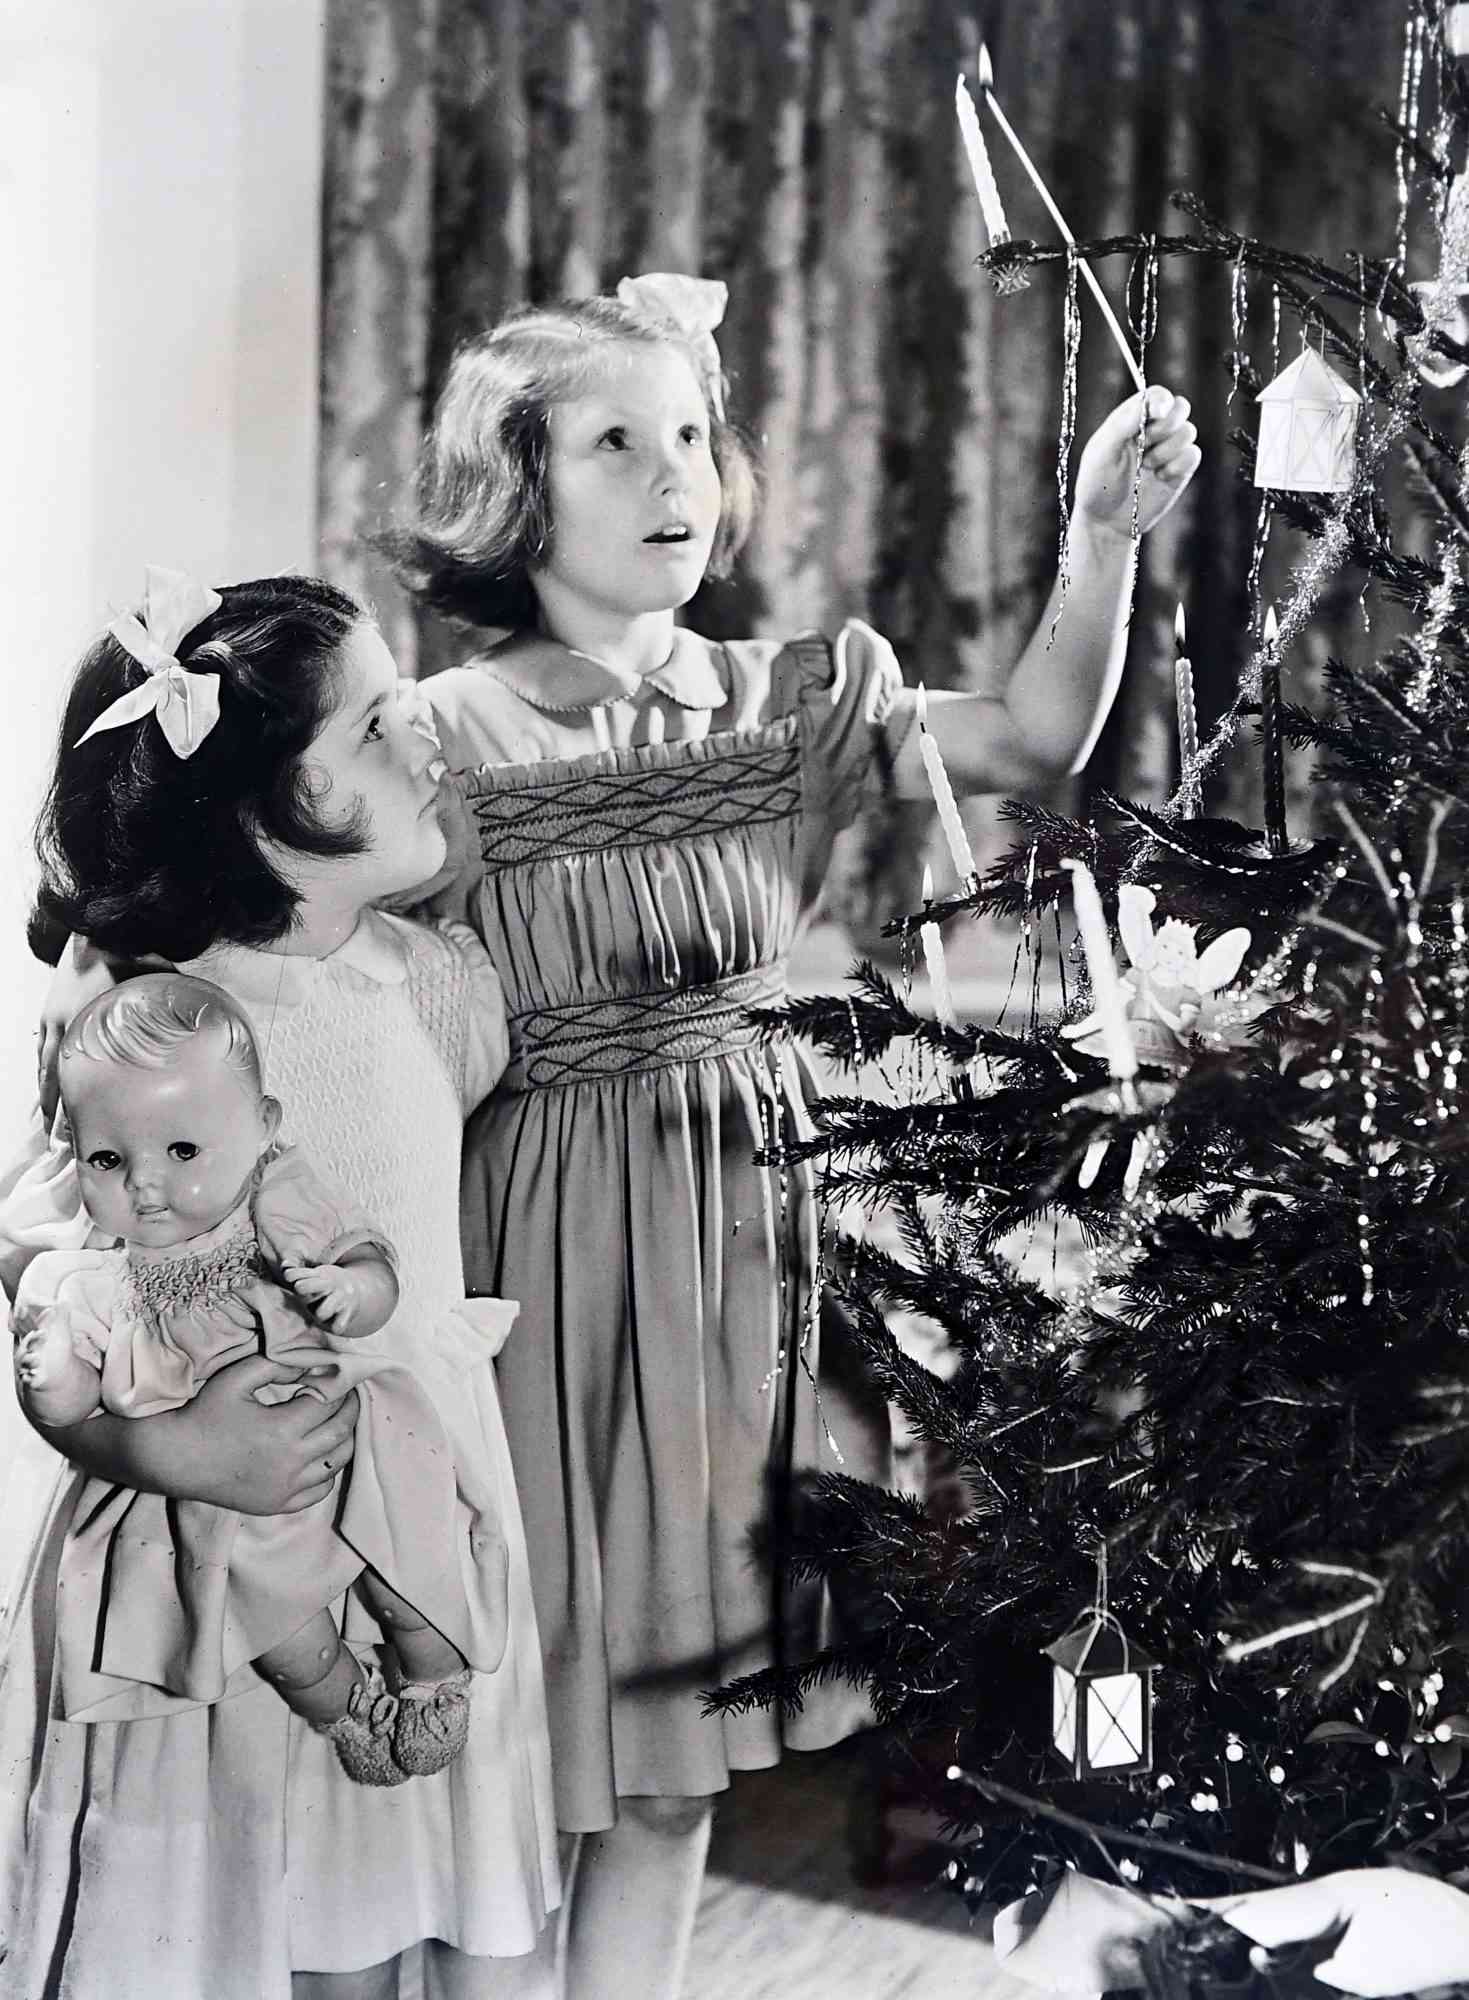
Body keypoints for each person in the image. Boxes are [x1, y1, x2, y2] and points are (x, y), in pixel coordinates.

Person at [379, 269, 1202, 2000]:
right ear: (512, 483)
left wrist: (1097, 540)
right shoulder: (431, 738)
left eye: (691, 432)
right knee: (513, 1738)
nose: (676, 474)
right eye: (617, 443)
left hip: (732, 1244)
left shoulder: (785, 700)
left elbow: (1035, 735)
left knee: (672, 1738)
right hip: (521, 1258)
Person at [4, 569, 558, 1999]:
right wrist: (165, 1445)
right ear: (260, 806)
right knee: (261, 1901)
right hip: (219, 1518)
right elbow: (37, 1274)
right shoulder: (150, 1018)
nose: (425, 731)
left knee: (394, 1894)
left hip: (417, 1485)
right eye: (377, 726)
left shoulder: (438, 986)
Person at [15, 969, 495, 1784]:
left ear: (262, 1126)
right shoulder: (89, 1279)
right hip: (216, 1490)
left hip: (335, 1424)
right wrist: (50, 1372)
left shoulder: (274, 1201)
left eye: (182, 1150)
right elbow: (69, 1398)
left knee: (407, 1539)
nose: (146, 1182)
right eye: (108, 1157)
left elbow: (370, 1265)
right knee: (268, 1611)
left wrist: (353, 1289)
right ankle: (345, 1709)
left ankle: (434, 1674)